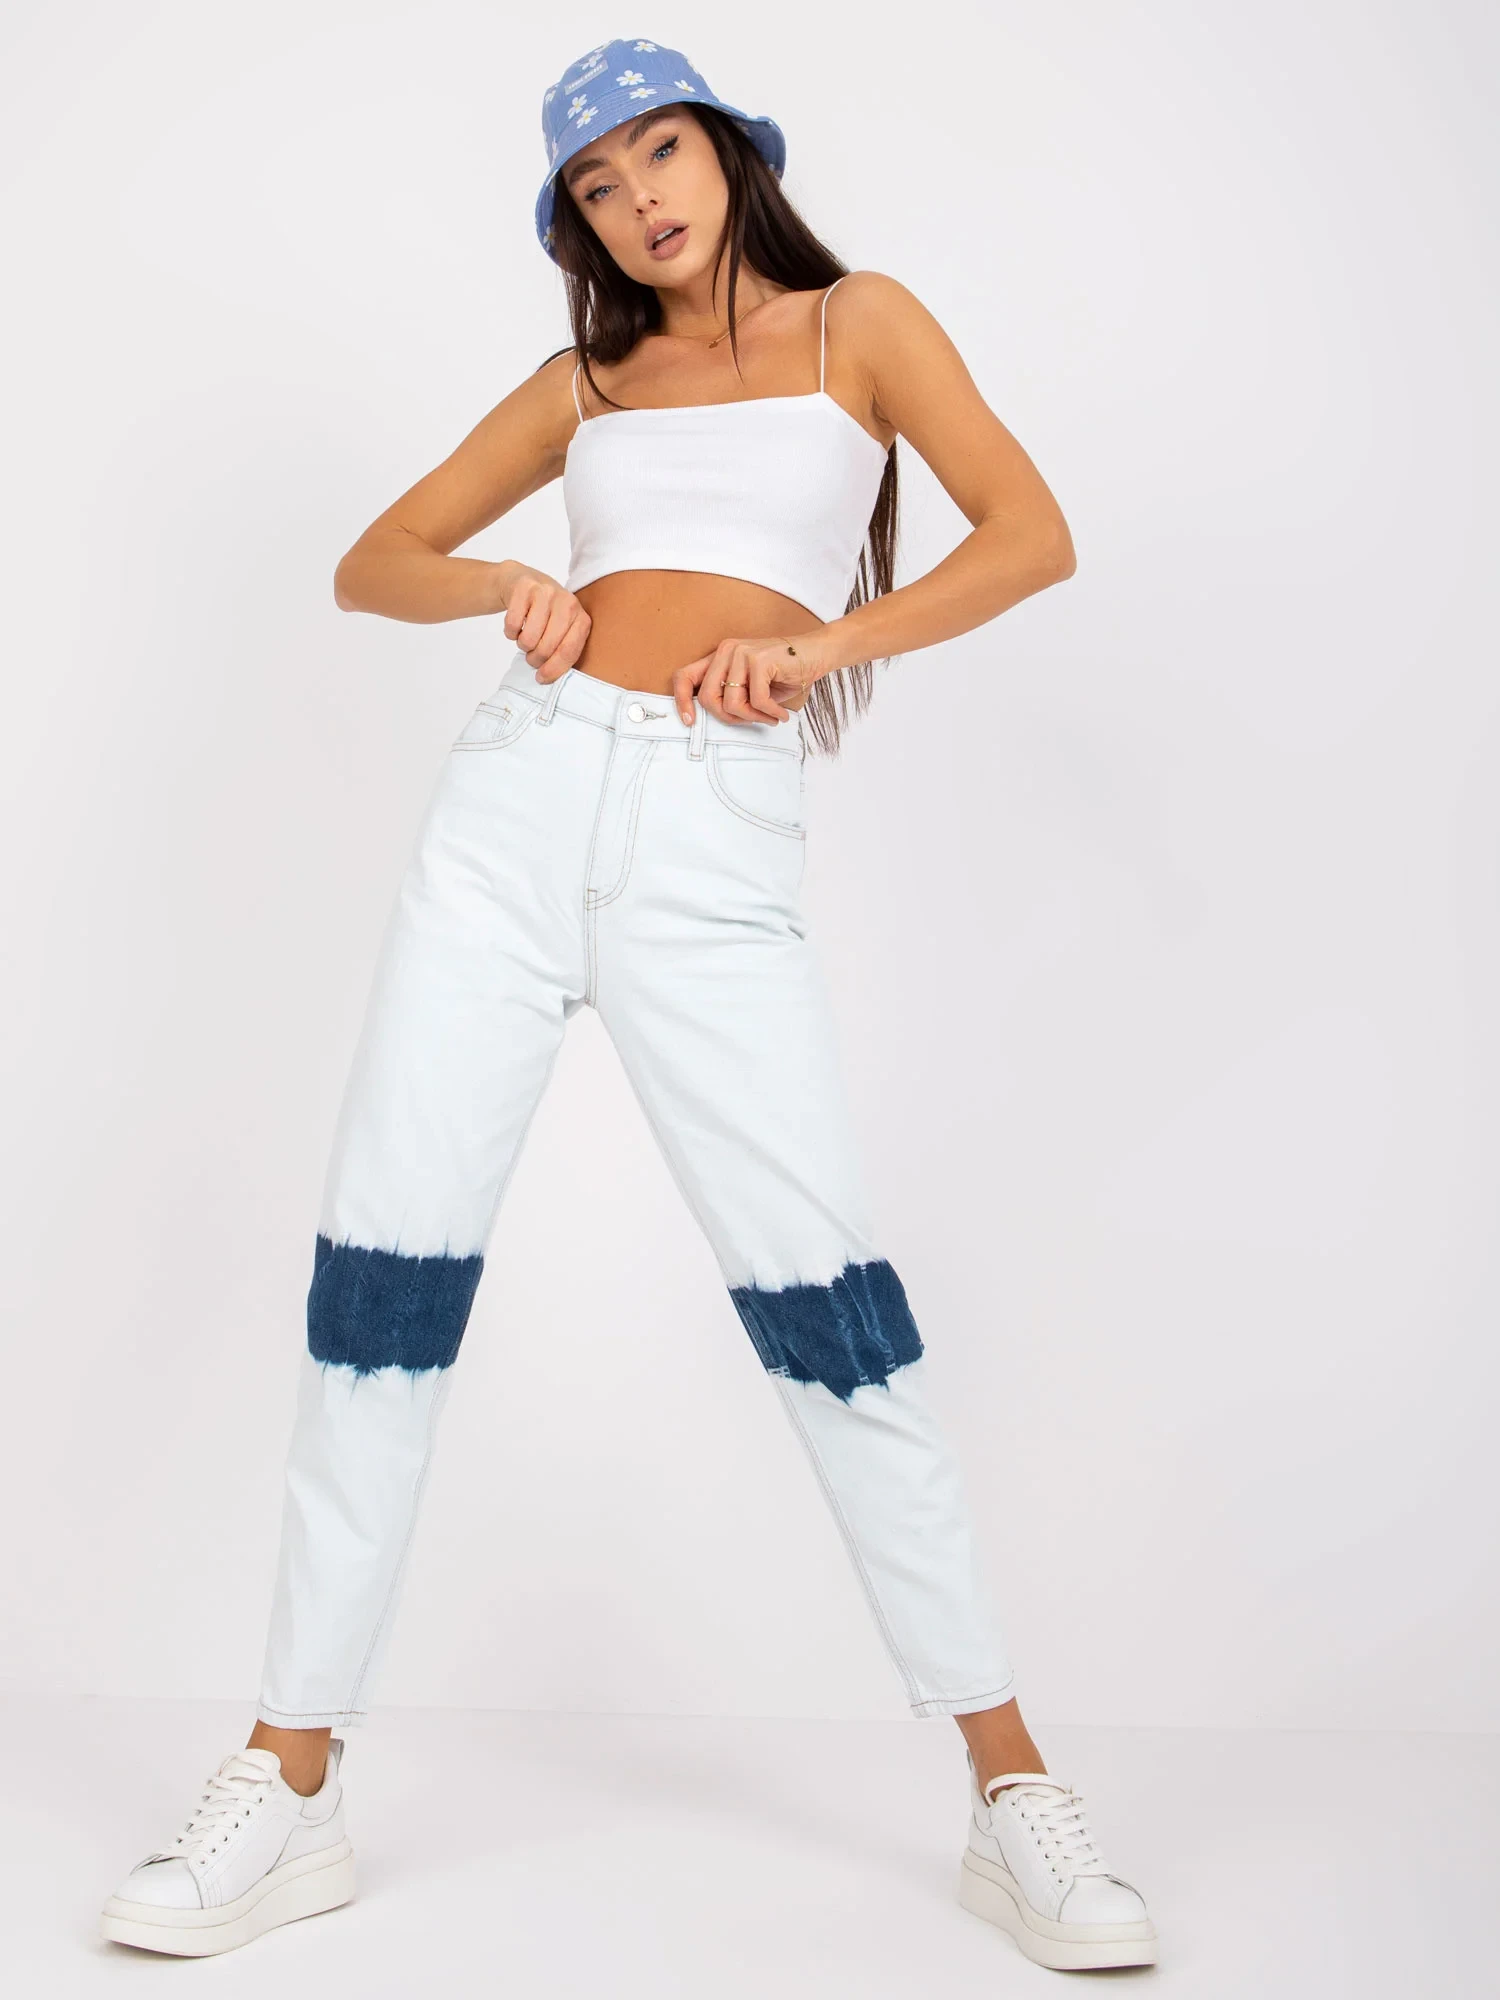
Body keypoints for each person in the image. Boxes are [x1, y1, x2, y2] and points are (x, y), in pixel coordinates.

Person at [100, 36, 1158, 1972]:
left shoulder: (863, 327)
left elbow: (1033, 534)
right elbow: (369, 562)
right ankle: (290, 1779)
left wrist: (823, 646)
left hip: (711, 833)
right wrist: (504, 586)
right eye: (595, 186)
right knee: (380, 1291)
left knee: (831, 1305)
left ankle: (1013, 1793)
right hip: (511, 815)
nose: (637, 199)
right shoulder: (582, 384)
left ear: (729, 153)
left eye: (659, 153)